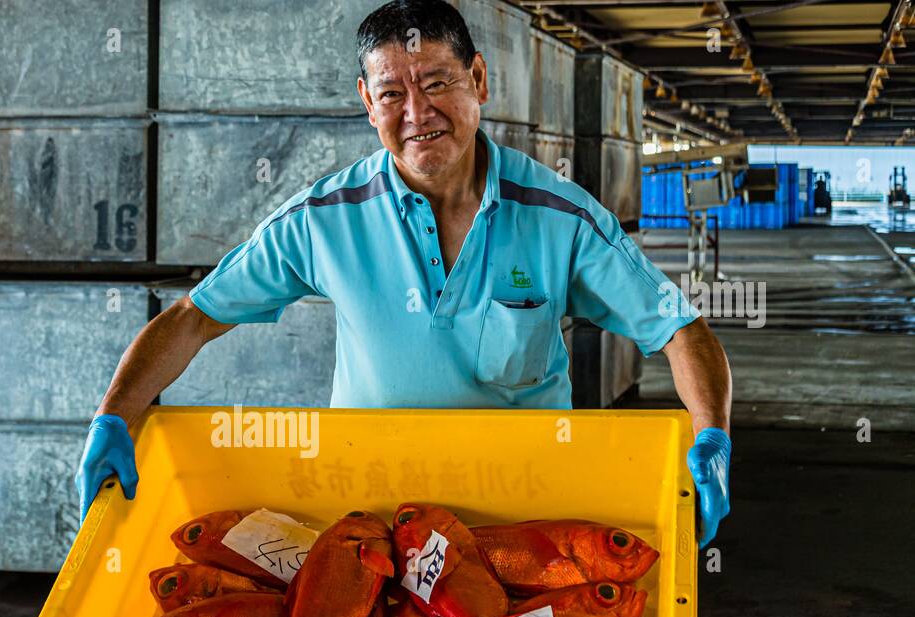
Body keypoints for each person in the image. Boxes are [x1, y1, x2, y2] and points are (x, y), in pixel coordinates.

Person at [76, 0, 731, 547]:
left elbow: (678, 330)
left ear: (479, 79)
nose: (417, 113)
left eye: (438, 82)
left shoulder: (559, 217)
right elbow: (193, 319)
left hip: (525, 528)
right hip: (374, 529)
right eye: (392, 92)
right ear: (368, 101)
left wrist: (711, 438)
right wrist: (114, 416)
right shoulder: (326, 220)